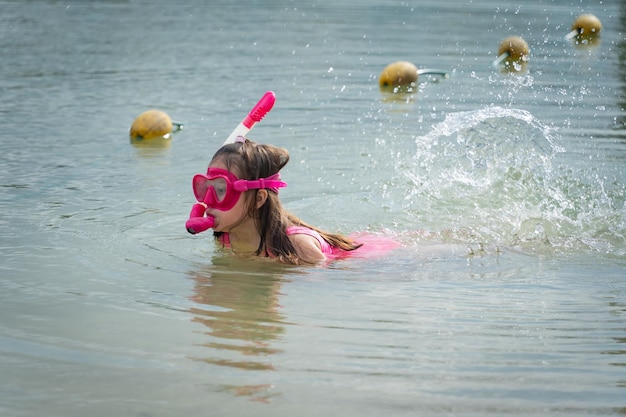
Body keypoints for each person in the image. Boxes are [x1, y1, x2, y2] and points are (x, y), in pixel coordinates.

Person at [186, 136, 366, 265]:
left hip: (365, 258)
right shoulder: (225, 237)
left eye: (221, 189)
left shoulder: (298, 246)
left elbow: (326, 289)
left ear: (259, 199)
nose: (208, 200)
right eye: (205, 187)